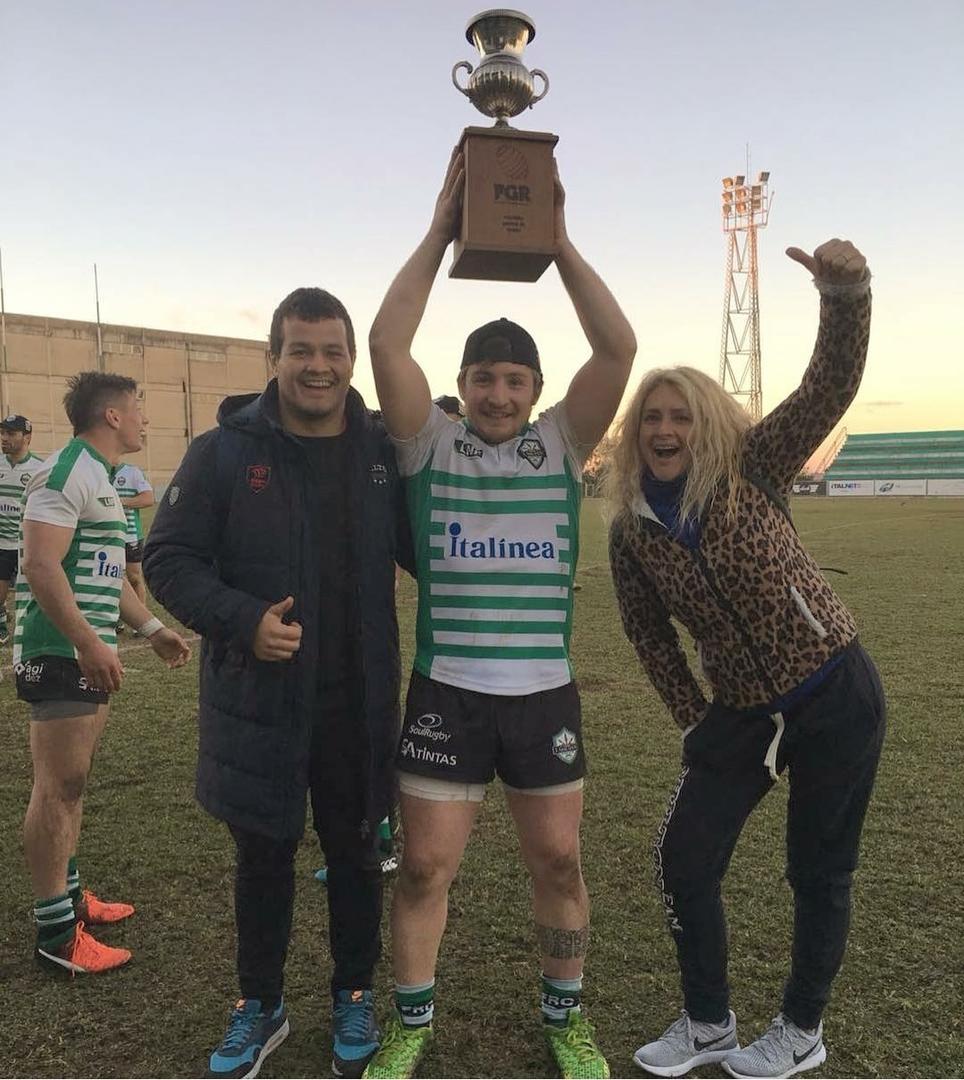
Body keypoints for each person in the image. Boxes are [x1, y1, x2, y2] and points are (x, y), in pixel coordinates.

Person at [362, 149, 636, 1080]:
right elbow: (387, 345)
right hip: (448, 694)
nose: (499, 393)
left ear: (533, 392)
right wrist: (444, 230)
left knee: (558, 866)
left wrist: (554, 243)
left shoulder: (561, 444)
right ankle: (411, 1024)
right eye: (484, 377)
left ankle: (566, 1019)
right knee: (429, 871)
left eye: (516, 381)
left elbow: (617, 350)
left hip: (543, 699)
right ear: (465, 382)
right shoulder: (428, 444)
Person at [606, 240, 885, 1079]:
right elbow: (648, 634)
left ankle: (801, 1029)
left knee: (817, 871)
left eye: (680, 414)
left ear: (705, 422)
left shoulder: (755, 467)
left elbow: (828, 387)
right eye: (651, 417)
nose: (664, 429)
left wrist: (846, 293)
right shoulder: (630, 532)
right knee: (684, 857)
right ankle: (707, 1022)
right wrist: (695, 718)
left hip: (835, 690)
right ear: (635, 434)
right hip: (737, 712)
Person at [143, 287, 414, 1080]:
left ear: (352, 361)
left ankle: (353, 993)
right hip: (259, 706)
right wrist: (242, 619)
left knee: (357, 853)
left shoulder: (380, 452)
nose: (318, 367)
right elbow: (168, 559)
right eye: (302, 350)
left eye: (333, 351)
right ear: (274, 358)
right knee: (263, 857)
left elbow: (426, 546)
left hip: (357, 701)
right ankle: (259, 1006)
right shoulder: (224, 451)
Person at [16, 373, 191, 975]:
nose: (145, 417)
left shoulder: (102, 478)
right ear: (113, 415)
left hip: (83, 652)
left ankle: (70, 898)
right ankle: (56, 934)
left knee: (73, 784)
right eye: (139, 407)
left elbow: (105, 573)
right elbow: (39, 564)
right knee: (56, 786)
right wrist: (88, 642)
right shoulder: (69, 471)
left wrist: (152, 630)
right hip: (59, 651)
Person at [0, 414, 44, 645]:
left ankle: (28, 638)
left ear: (27, 437)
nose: (4, 438)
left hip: (26, 545)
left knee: (32, 598)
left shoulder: (40, 468)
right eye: (2, 433)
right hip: (1, 544)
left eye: (10, 433)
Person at [112, 453, 154, 621]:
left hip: (130, 535)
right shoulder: (96, 472)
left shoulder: (132, 472)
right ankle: (116, 619)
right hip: (107, 536)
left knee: (134, 578)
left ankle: (142, 619)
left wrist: (120, 501)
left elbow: (148, 498)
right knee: (111, 578)